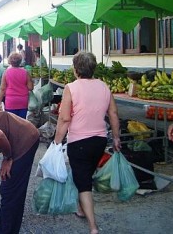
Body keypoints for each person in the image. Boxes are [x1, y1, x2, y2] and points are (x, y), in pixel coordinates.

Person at [53, 52, 121, 234]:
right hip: (99, 141)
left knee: (83, 182)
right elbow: (113, 114)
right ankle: (81, 208)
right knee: (85, 175)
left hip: (79, 142)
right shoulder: (104, 87)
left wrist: (56, 141)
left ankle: (93, 227)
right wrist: (116, 137)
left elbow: (65, 118)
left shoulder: (71, 88)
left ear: (76, 69)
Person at [0, 52, 33, 119]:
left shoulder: (6, 72)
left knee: (11, 122)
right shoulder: (25, 72)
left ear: (10, 61)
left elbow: (2, 88)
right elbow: (30, 87)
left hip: (10, 101)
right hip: (23, 101)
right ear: (20, 61)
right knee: (21, 122)